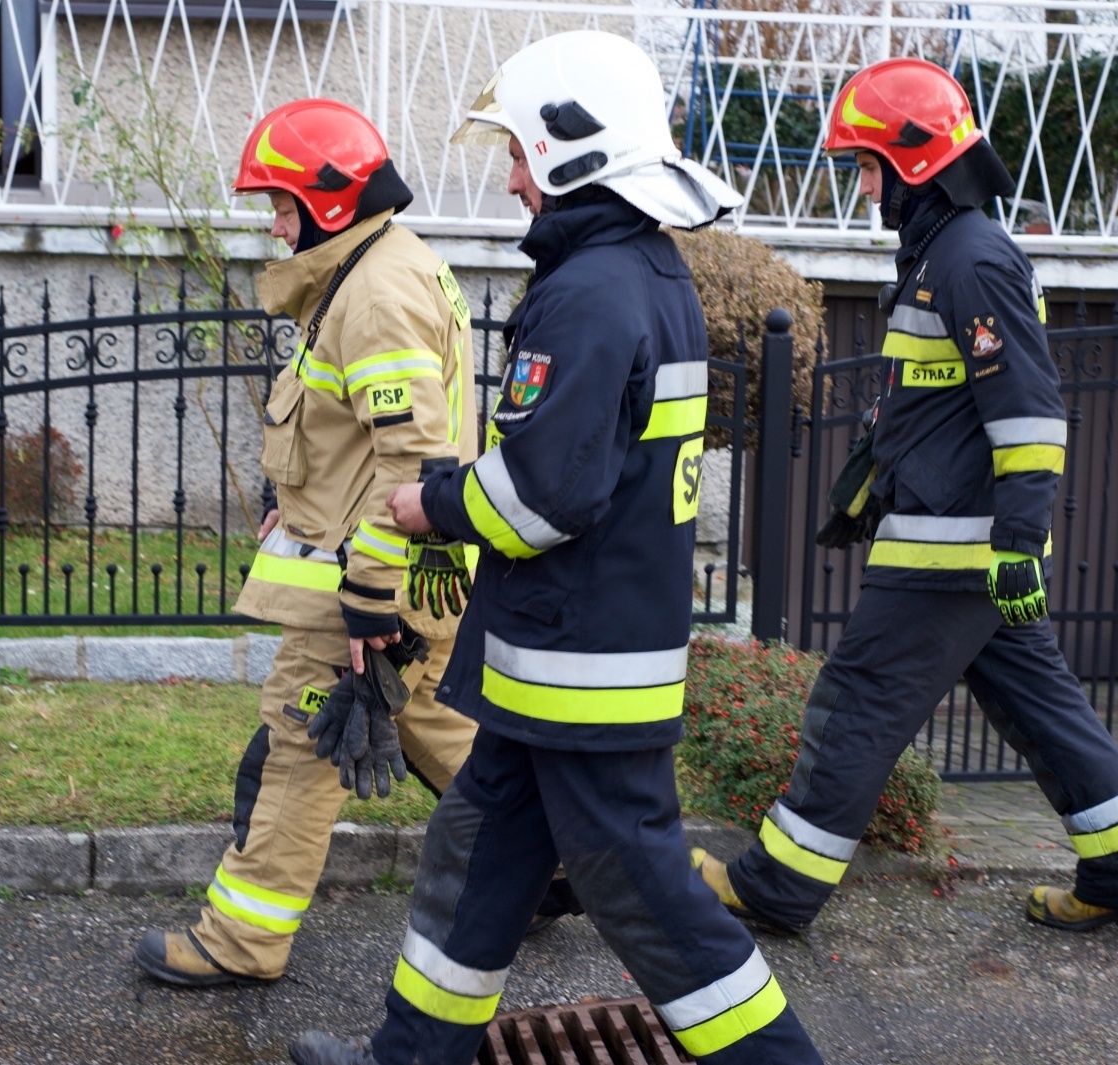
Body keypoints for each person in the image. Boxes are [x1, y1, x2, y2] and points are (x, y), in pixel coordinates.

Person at [286, 31, 824, 1065]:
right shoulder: (649, 276)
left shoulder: (585, 296)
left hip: (581, 667)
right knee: (476, 856)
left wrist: (426, 504)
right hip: (570, 662)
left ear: (574, 151)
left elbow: (544, 495)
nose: (512, 179)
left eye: (520, 153)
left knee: (645, 893)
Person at [691, 58, 1118, 937]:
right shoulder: (947, 254)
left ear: (915, 164)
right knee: (1043, 707)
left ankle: (775, 886)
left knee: (857, 702)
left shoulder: (970, 259)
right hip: (963, 542)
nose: (863, 186)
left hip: (952, 550)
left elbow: (1028, 411)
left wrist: (1021, 543)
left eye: (869, 166)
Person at [133, 98, 490, 986]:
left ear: (328, 204)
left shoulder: (372, 293)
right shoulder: (375, 271)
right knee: (448, 736)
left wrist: (370, 591)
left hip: (368, 589)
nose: (273, 223)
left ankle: (240, 941)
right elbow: (346, 432)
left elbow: (411, 455)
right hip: (414, 576)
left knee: (298, 750)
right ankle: (550, 864)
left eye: (281, 205)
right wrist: (290, 502)